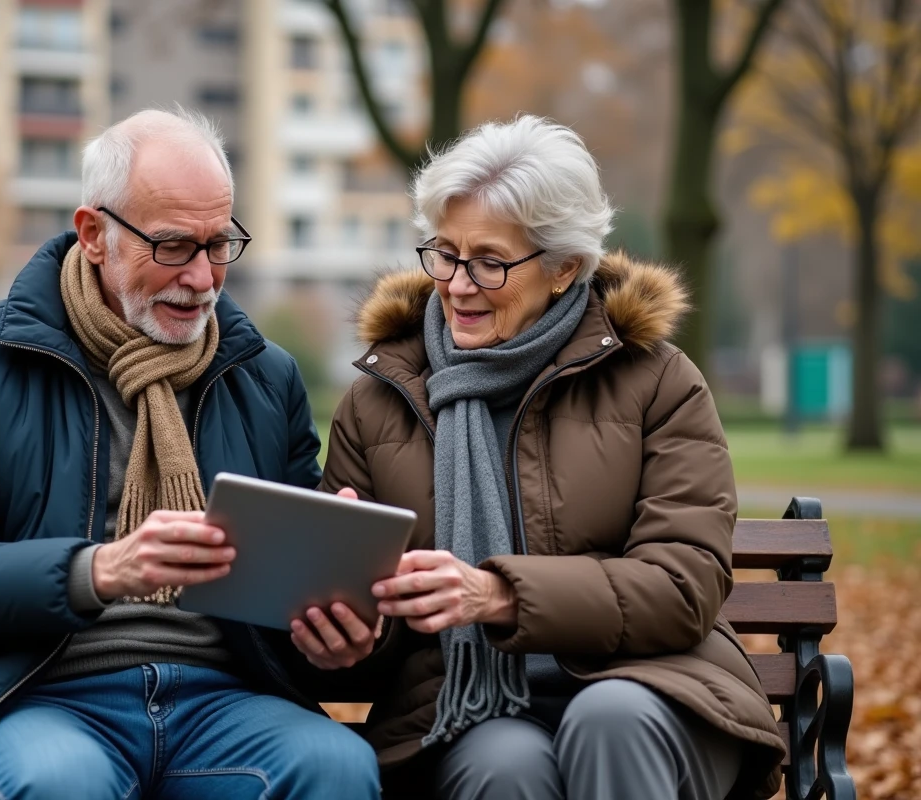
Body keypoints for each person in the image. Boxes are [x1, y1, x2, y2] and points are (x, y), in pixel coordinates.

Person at [0, 108, 380, 800]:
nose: (204, 277)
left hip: (223, 700)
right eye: (175, 246)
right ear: (94, 235)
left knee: (338, 766)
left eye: (220, 244)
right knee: (60, 780)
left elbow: (287, 603)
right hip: (39, 696)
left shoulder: (264, 376)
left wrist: (331, 621)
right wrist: (100, 570)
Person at [294, 115, 787, 800]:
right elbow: (358, 659)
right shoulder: (380, 401)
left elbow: (682, 587)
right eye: (443, 253)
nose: (459, 284)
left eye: (490, 261)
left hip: (657, 689)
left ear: (563, 270)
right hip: (465, 709)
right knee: (506, 765)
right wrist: (346, 637)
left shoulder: (658, 381)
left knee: (609, 719)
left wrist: (497, 595)